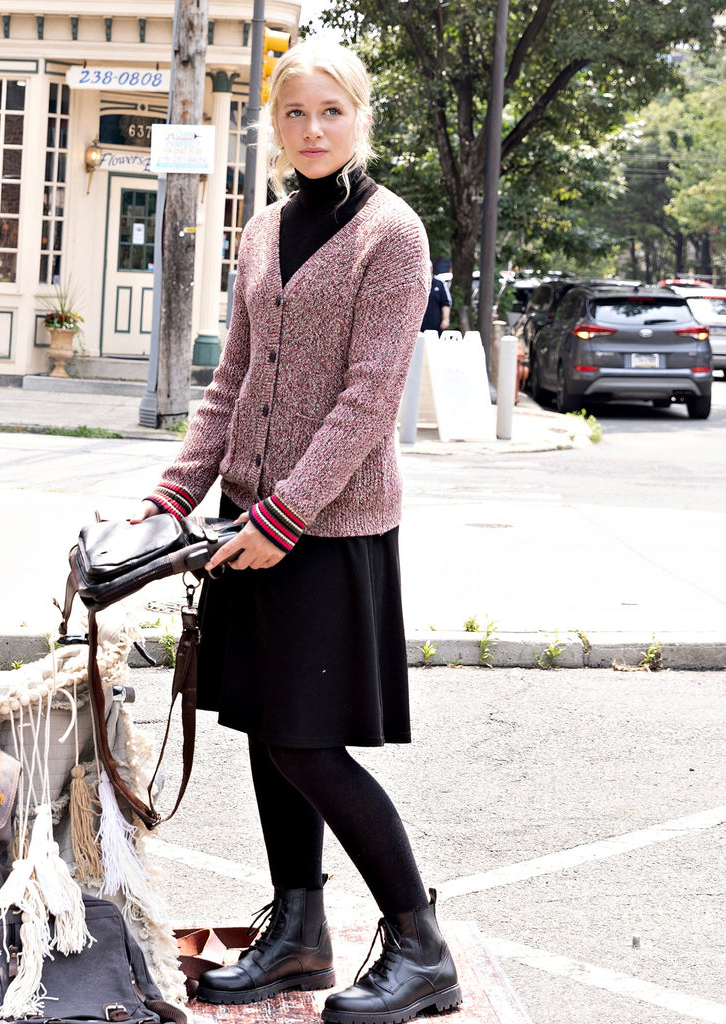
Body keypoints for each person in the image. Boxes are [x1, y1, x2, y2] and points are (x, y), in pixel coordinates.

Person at [131, 39, 461, 1024]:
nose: (312, 130)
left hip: (330, 526)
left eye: (331, 111)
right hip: (249, 518)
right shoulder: (263, 230)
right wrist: (170, 497)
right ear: (271, 124)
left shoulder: (391, 234)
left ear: (361, 117)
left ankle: (418, 944)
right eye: (294, 113)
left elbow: (367, 401)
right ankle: (299, 934)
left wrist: (286, 516)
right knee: (268, 735)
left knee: (310, 746)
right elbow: (231, 383)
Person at [421, 263, 452, 333]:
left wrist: (445, 319)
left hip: (435, 324)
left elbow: (446, 303)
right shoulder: (417, 283)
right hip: (420, 324)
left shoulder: (440, 283)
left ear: (431, 268)